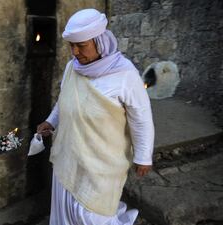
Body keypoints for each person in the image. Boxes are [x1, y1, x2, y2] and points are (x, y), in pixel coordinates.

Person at [36, 8, 154, 225]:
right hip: (69, 155)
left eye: (81, 45)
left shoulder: (125, 74)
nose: (75, 52)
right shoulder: (73, 68)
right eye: (72, 45)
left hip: (102, 162)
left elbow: (141, 118)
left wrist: (143, 156)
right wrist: (51, 121)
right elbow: (66, 98)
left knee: (93, 214)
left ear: (100, 41)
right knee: (66, 203)